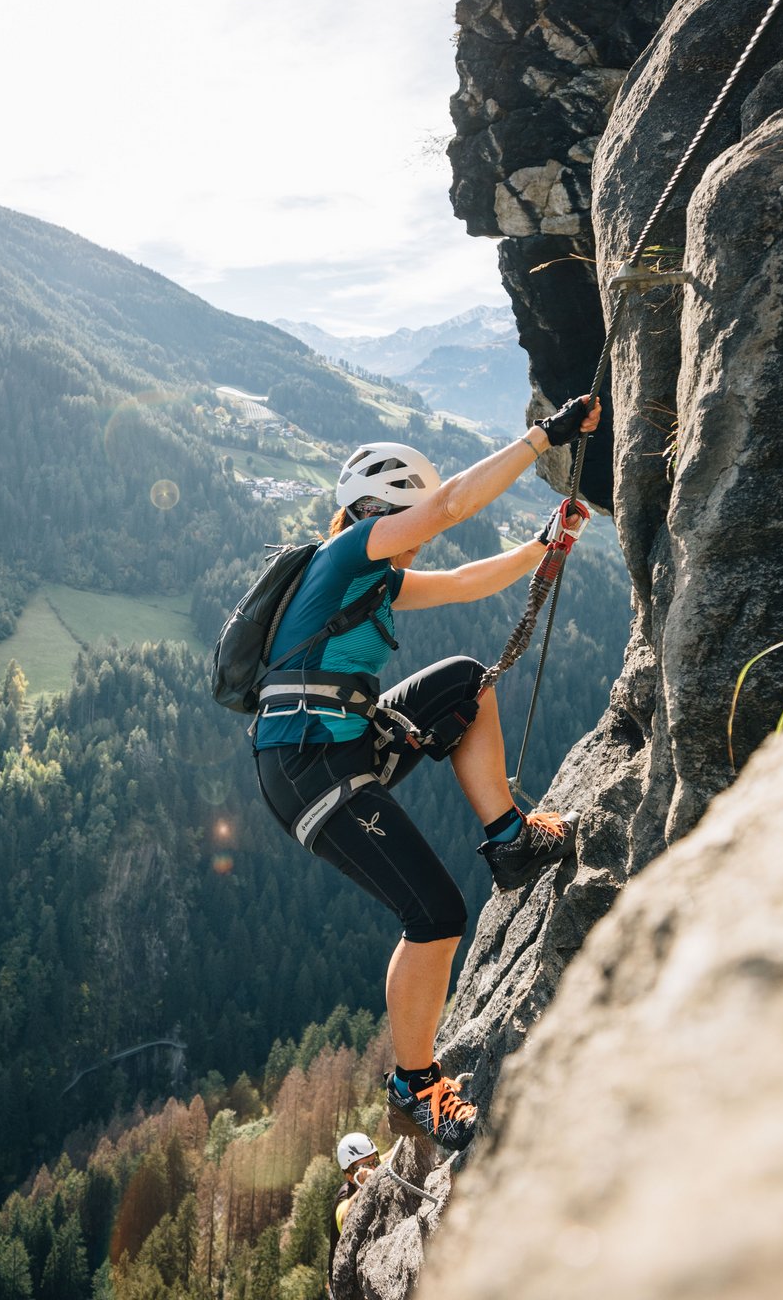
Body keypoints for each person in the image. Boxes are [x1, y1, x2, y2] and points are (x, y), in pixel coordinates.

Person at [251, 394, 602, 1151]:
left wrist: (545, 546)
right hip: (307, 766)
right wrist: (544, 437)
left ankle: (509, 835)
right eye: (400, 523)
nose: (411, 545)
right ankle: (414, 1085)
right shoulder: (346, 556)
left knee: (467, 681)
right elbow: (448, 505)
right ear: (375, 511)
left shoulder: (370, 582)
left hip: (341, 747)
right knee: (436, 914)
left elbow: (473, 579)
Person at [326, 1131, 380, 1295]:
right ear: (349, 1176)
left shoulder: (374, 1168)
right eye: (362, 1168)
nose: (371, 1169)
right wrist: (367, 1185)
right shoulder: (345, 1196)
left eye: (374, 1161)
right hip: (345, 1284)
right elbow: (344, 1215)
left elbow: (387, 1156)